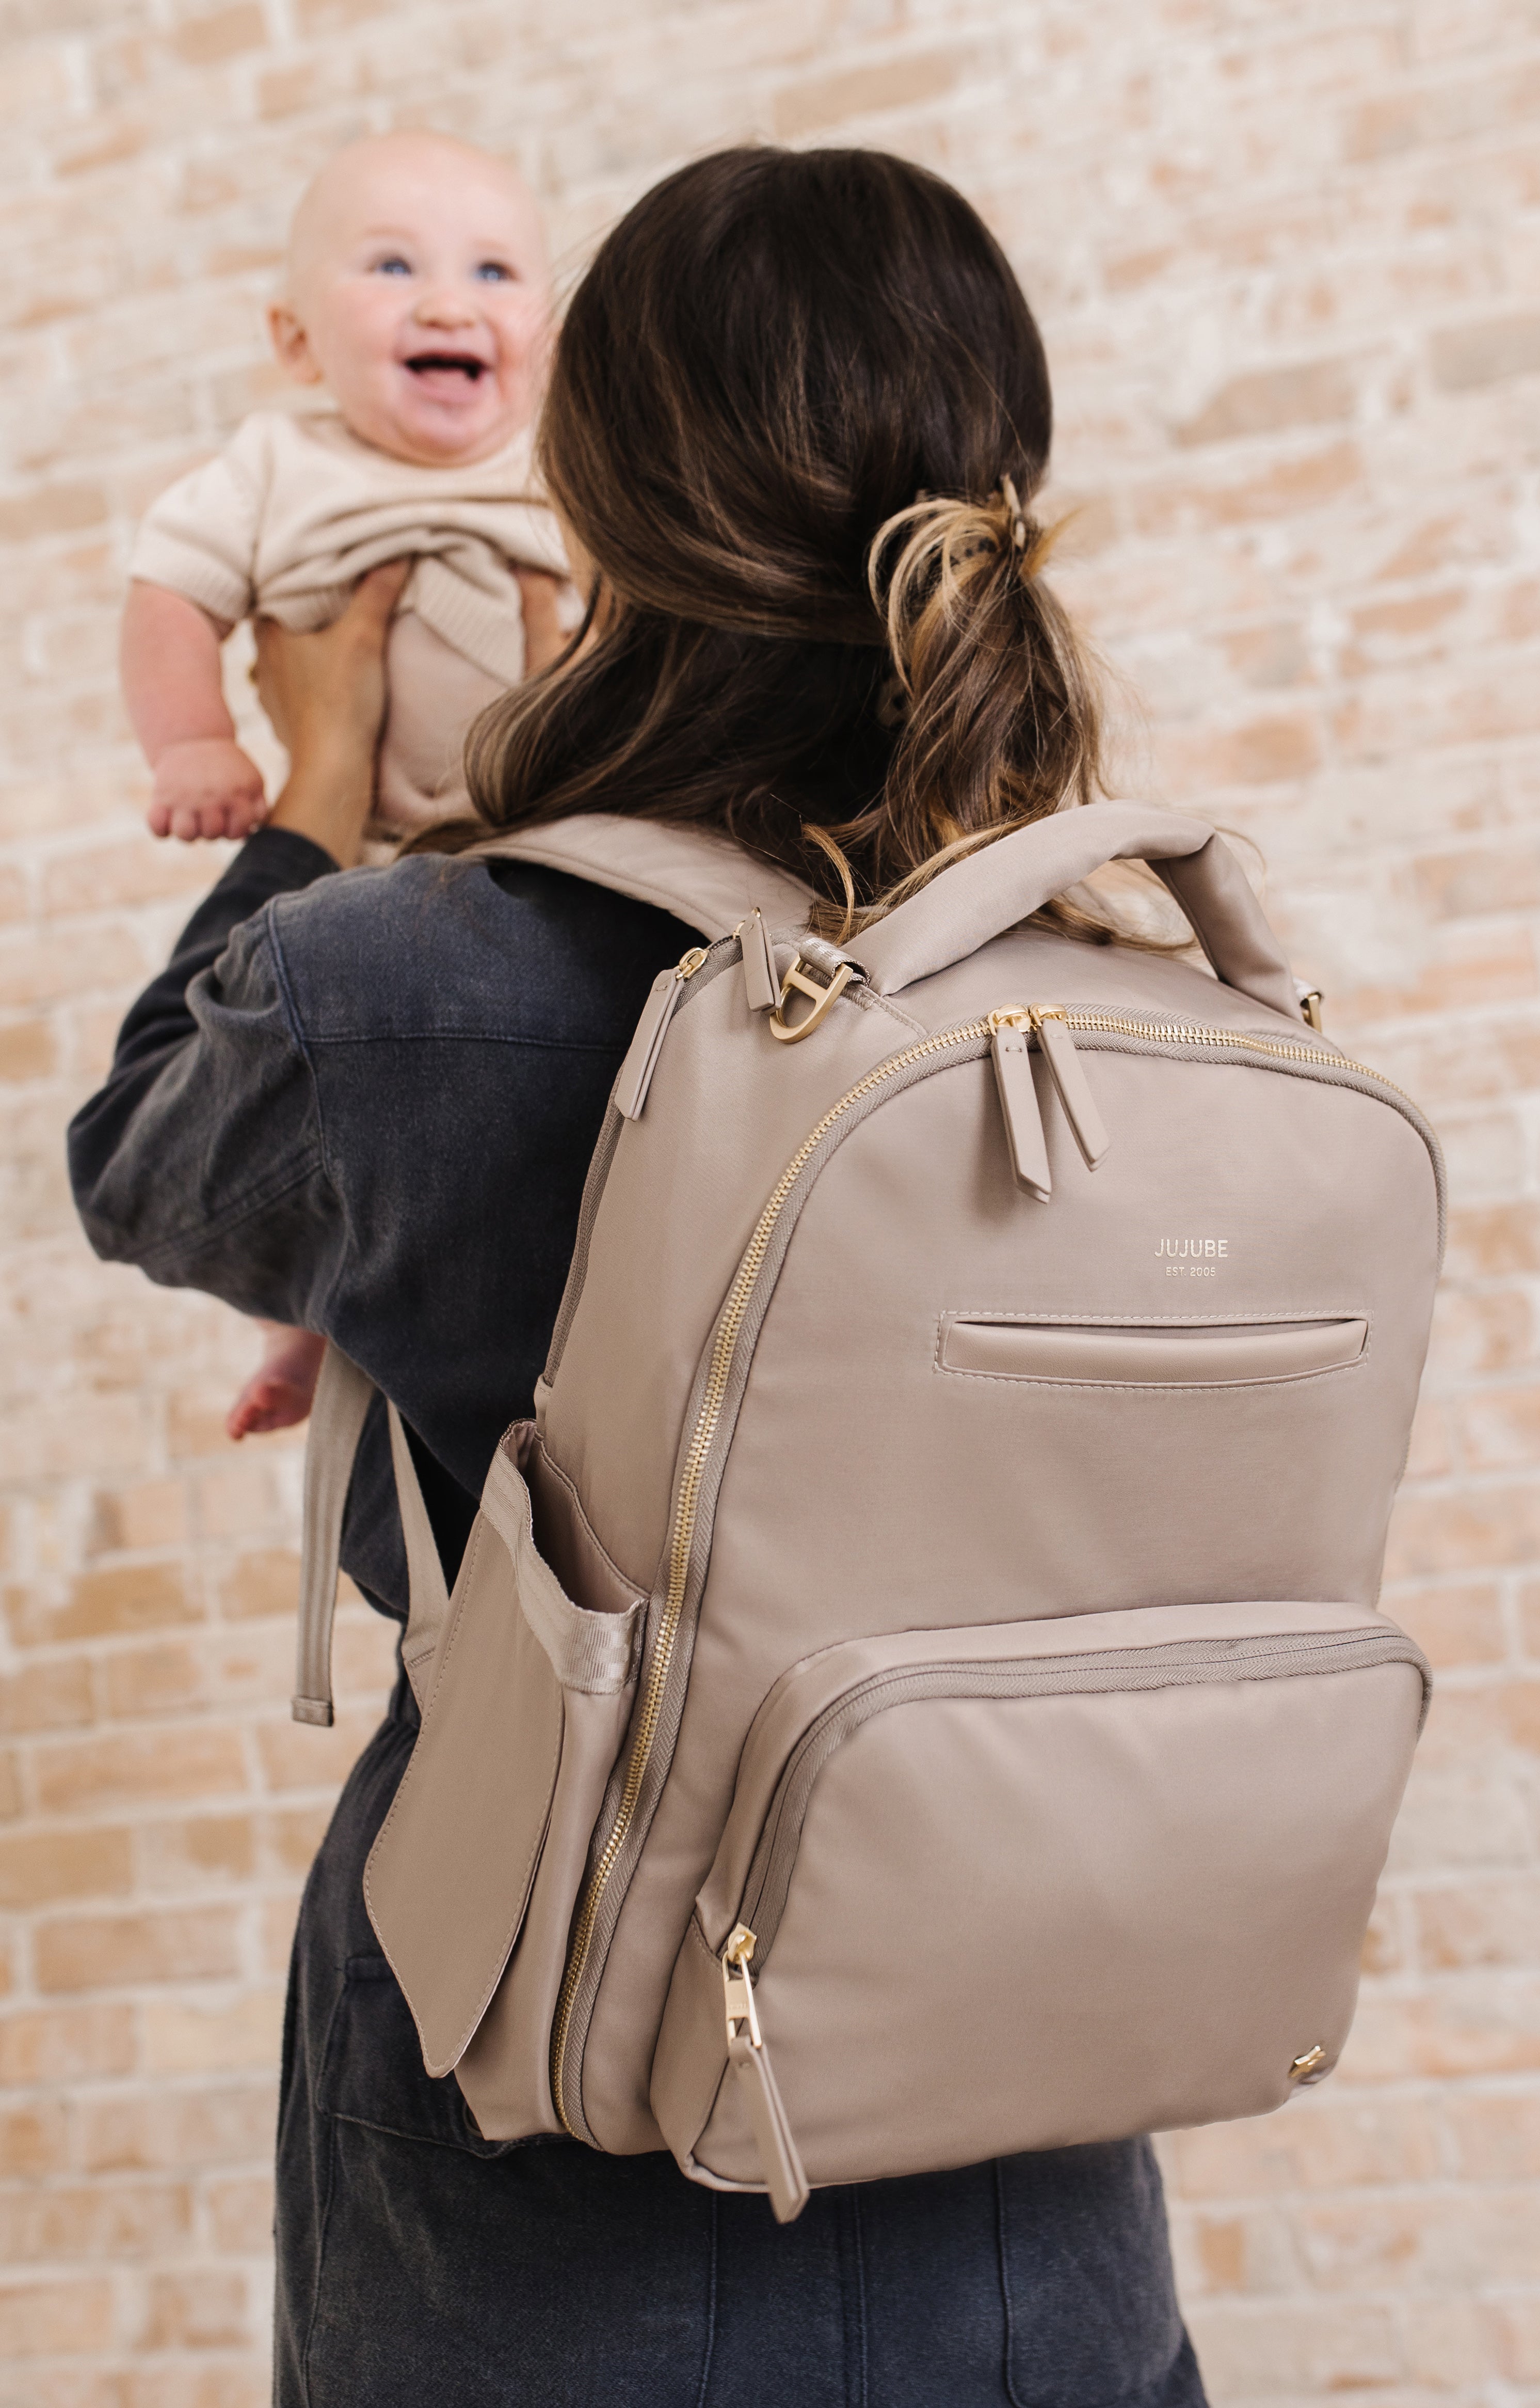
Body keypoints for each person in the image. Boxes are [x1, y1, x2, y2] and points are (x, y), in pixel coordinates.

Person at [69, 145, 1208, 2408]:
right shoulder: (1130, 997)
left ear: (594, 492)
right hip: (1040, 2213)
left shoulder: (418, 982)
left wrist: (315, 774)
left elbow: (140, 1158)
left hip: (545, 2225)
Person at [119, 127, 575, 1441]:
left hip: (544, 865)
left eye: (493, 271)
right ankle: (304, 1318)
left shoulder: (566, 469)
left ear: (547, 333)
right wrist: (195, 743)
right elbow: (170, 593)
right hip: (362, 860)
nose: (448, 304)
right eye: (391, 266)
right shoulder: (278, 465)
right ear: (297, 341)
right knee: (316, 1079)